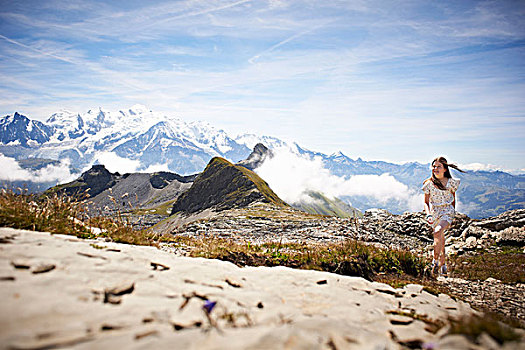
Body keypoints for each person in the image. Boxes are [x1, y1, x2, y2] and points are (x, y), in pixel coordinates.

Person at [422, 156, 464, 276]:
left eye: (438, 166)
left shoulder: (451, 183)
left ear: (445, 169)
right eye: (434, 166)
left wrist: (452, 213)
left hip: (447, 211)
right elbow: (426, 202)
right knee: (440, 239)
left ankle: (434, 263)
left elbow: (453, 199)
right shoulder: (428, 184)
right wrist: (428, 215)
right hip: (434, 213)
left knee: (437, 231)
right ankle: (443, 266)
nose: (435, 168)